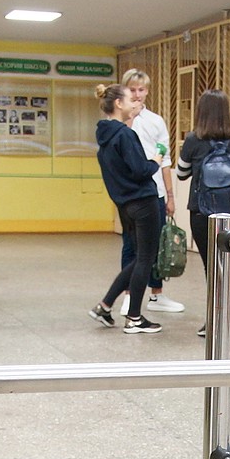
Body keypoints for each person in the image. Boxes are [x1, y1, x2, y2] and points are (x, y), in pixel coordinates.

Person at [87, 83, 164, 334]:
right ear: (118, 104)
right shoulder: (125, 135)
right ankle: (134, 318)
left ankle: (105, 306)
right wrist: (156, 161)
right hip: (144, 202)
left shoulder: (105, 137)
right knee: (146, 258)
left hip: (126, 205)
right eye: (131, 99)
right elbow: (141, 170)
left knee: (139, 257)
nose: (136, 103)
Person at [175, 89, 230, 336]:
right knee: (227, 267)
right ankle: (225, 319)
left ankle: (213, 322)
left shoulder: (193, 140)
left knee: (211, 267)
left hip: (202, 212)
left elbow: (181, 173)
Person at [117, 68, 183, 316]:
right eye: (132, 89)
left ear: (147, 91)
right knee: (131, 245)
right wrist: (130, 118)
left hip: (155, 192)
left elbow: (165, 160)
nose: (137, 95)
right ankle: (128, 295)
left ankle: (157, 293)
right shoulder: (119, 122)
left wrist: (170, 196)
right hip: (130, 194)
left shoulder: (156, 121)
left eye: (141, 89)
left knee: (156, 244)